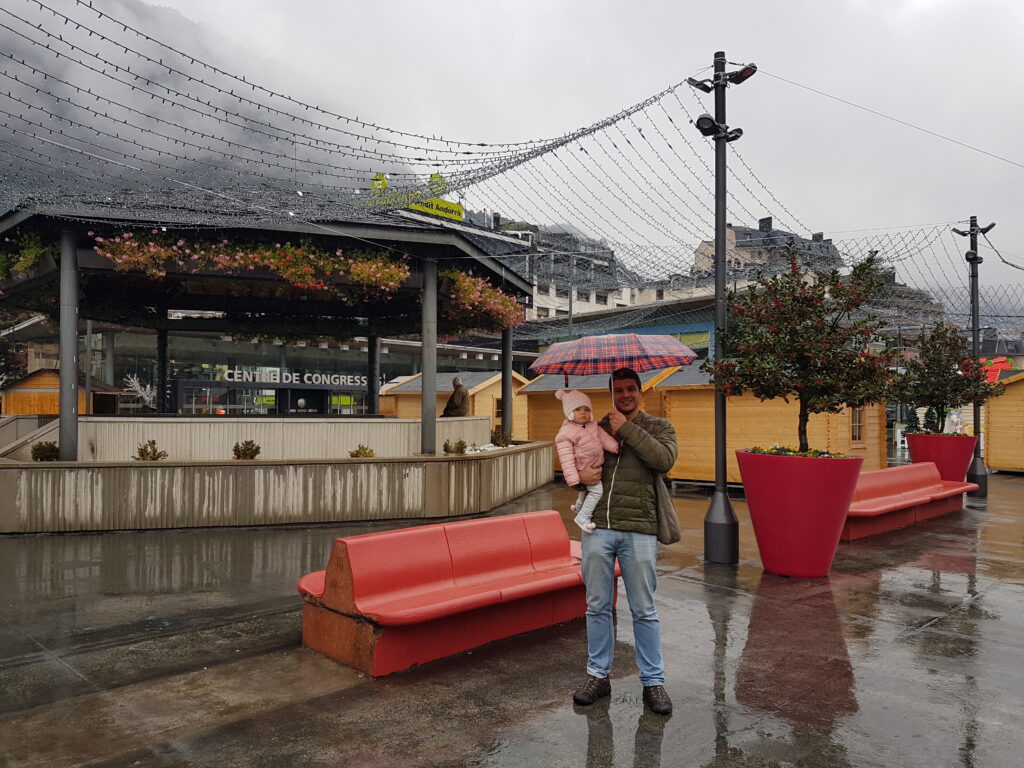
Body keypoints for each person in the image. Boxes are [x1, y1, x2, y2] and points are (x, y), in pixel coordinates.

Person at [572, 367, 677, 716]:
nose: (625, 395)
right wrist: (579, 477)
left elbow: (664, 460)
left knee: (643, 609)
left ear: (640, 392)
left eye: (631, 389)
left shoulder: (659, 427)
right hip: (598, 528)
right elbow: (579, 468)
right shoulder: (594, 428)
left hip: (640, 528)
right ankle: (597, 676)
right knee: (597, 606)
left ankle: (653, 682)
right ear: (612, 394)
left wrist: (627, 429)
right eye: (619, 390)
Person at [553, 389, 620, 533]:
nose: (583, 413)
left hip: (595, 465)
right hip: (582, 467)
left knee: (586, 491)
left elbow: (604, 438)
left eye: (586, 409)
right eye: (578, 409)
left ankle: (579, 506)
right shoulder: (565, 434)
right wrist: (573, 478)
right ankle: (583, 516)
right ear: (569, 412)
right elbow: (566, 458)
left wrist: (614, 446)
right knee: (596, 492)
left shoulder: (593, 426)